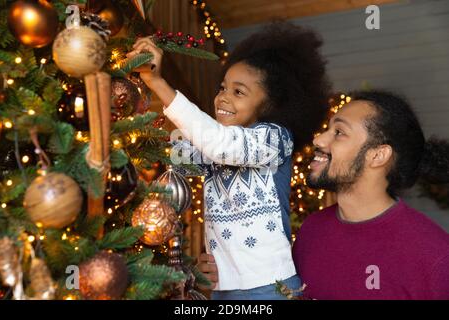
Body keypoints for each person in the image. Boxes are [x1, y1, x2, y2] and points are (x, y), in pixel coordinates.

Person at [128, 21, 331, 299]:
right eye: (222, 88)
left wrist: (159, 83)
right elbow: (174, 153)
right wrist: (134, 103)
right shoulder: (213, 143)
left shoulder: (274, 140)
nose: (223, 98)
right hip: (223, 289)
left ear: (270, 105)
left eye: (238, 92)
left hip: (271, 288)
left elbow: (223, 146)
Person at [294, 90, 449, 299]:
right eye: (328, 129)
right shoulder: (311, 230)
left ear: (378, 155)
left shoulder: (434, 256)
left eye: (339, 132)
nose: (319, 140)